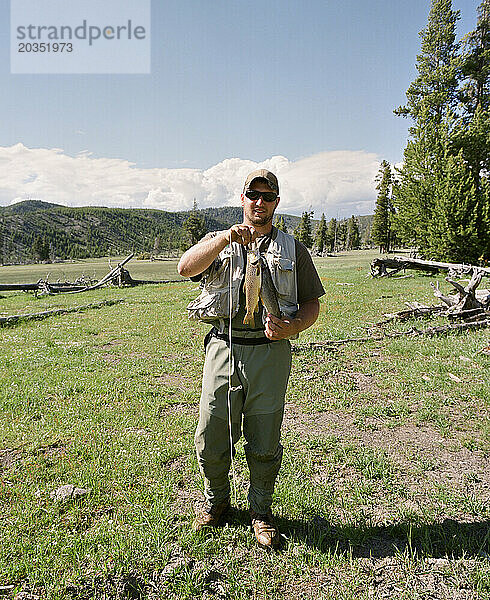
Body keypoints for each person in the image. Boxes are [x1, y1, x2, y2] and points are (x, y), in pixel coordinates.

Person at [177, 169, 325, 548]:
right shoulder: (218, 241)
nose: (260, 202)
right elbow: (185, 268)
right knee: (211, 435)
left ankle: (260, 511)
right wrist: (225, 238)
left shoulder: (294, 249)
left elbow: (311, 303)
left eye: (268, 195)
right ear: (242, 198)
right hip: (224, 346)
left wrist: (294, 328)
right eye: (253, 194)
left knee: (264, 438)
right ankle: (217, 503)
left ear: (277, 201)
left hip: (271, 354)